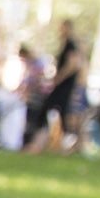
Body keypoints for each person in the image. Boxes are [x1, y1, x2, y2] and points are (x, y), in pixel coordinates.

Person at [28, 23, 85, 154]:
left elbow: (74, 63)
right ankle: (50, 144)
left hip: (64, 85)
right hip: (64, 85)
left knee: (53, 110)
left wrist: (59, 77)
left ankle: (44, 144)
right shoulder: (69, 44)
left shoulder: (70, 44)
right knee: (57, 112)